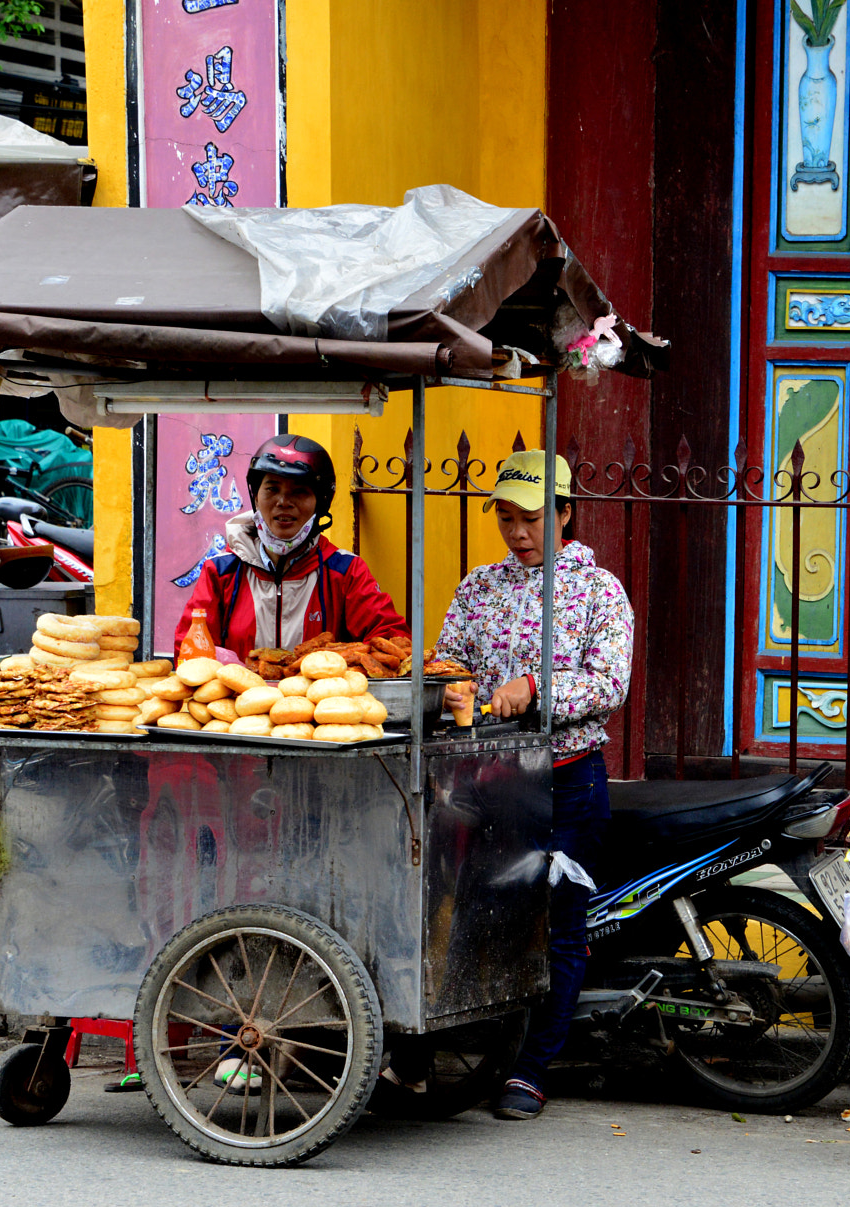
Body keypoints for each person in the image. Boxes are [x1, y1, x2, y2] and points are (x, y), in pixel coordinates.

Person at [423, 449, 633, 1121]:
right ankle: (440, 1053)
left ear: (566, 513)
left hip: (569, 781)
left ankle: (533, 1067)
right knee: (470, 914)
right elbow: (449, 658)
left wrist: (536, 687)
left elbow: (608, 683)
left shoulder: (600, 591)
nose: (517, 533)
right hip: (488, 781)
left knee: (561, 926)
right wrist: (447, 682)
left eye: (533, 518)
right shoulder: (479, 586)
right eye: (507, 518)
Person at [173, 434, 406, 655]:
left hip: (322, 698)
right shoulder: (221, 571)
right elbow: (190, 648)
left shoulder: (346, 572)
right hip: (239, 697)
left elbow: (391, 641)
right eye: (272, 489)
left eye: (300, 492)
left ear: (321, 503)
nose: (283, 502)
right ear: (255, 496)